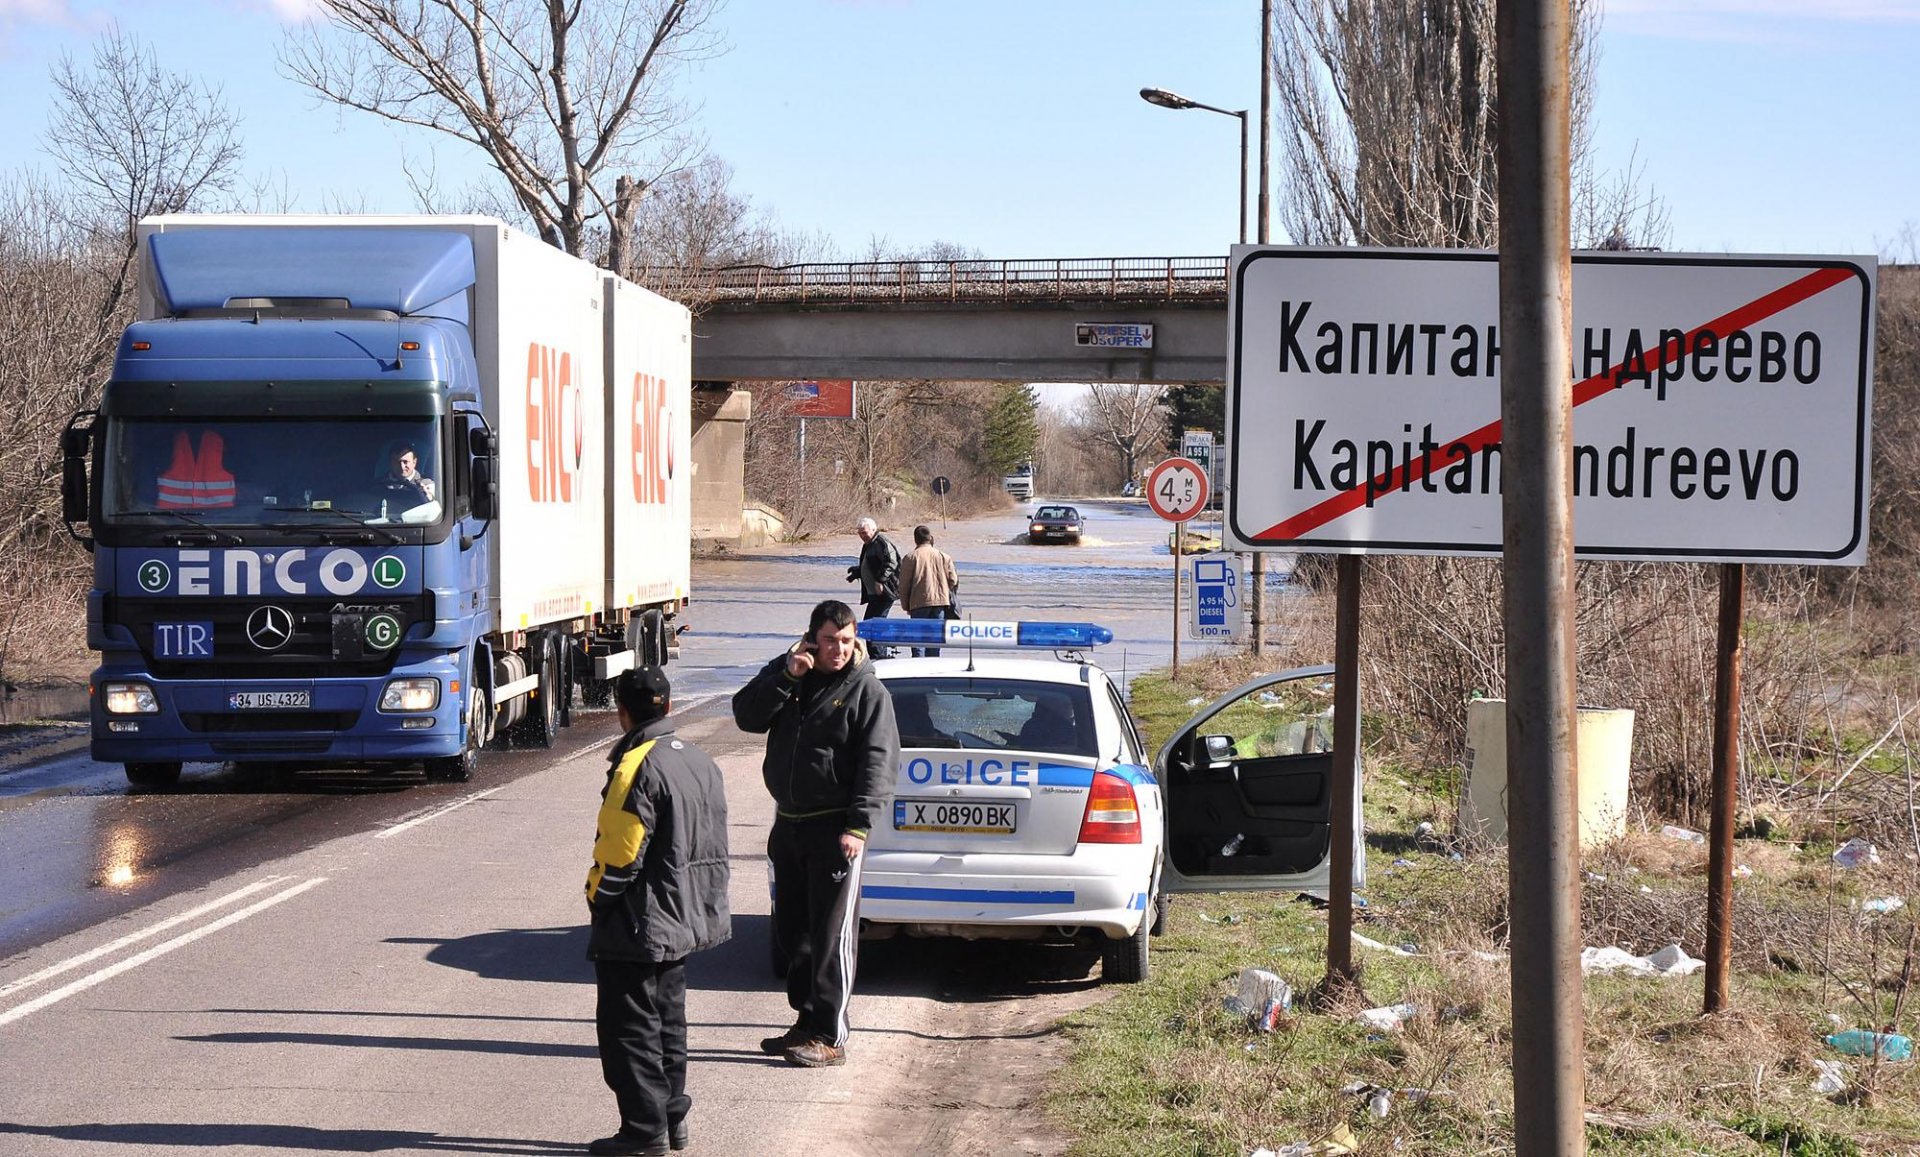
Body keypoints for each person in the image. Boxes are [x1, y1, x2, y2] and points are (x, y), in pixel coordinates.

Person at [731, 599, 899, 1069]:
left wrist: (858, 826)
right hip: (790, 824)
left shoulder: (867, 692)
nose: (838, 650)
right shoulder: (790, 671)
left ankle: (830, 1035)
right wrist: (787, 676)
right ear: (811, 638)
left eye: (846, 641)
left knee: (830, 938)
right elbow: (746, 715)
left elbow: (878, 764)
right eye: (830, 640)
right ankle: (805, 1023)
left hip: (836, 829)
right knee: (794, 933)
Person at [585, 666, 732, 1156]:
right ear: (668, 706)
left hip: (639, 920)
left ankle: (643, 1131)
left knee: (630, 1030)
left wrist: (597, 897)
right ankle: (672, 1120)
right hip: (682, 914)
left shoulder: (635, 765)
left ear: (621, 712)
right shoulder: (697, 758)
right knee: (669, 1023)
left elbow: (620, 853)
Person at [895, 524, 959, 657]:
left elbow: (904, 585)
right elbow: (953, 580)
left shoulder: (910, 557)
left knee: (918, 639)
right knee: (934, 639)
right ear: (930, 538)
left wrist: (905, 605)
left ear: (915, 539)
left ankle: (918, 667)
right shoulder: (944, 556)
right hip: (940, 603)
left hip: (918, 603)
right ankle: (933, 666)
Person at [845, 517, 901, 658]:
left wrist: (880, 581)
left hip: (885, 592)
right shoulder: (869, 544)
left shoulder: (881, 542)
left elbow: (891, 562)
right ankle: (877, 655)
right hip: (874, 594)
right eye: (860, 533)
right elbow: (872, 564)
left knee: (874, 625)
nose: (862, 535)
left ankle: (879, 656)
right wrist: (858, 572)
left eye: (864, 532)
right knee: (871, 623)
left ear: (873, 530)